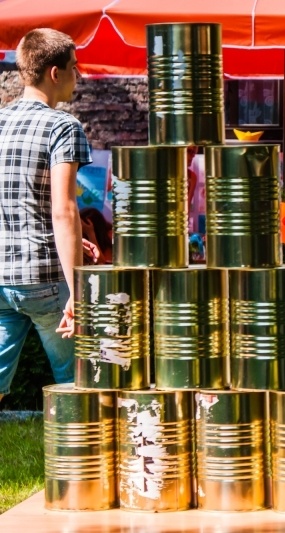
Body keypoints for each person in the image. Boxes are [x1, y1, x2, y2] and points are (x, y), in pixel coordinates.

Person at [0, 29, 90, 404]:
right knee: (78, 381)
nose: (78, 75)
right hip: (46, 280)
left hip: (3, 277)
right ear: (55, 73)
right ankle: (81, 459)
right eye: (73, 67)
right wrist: (78, 290)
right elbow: (63, 210)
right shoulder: (63, 126)